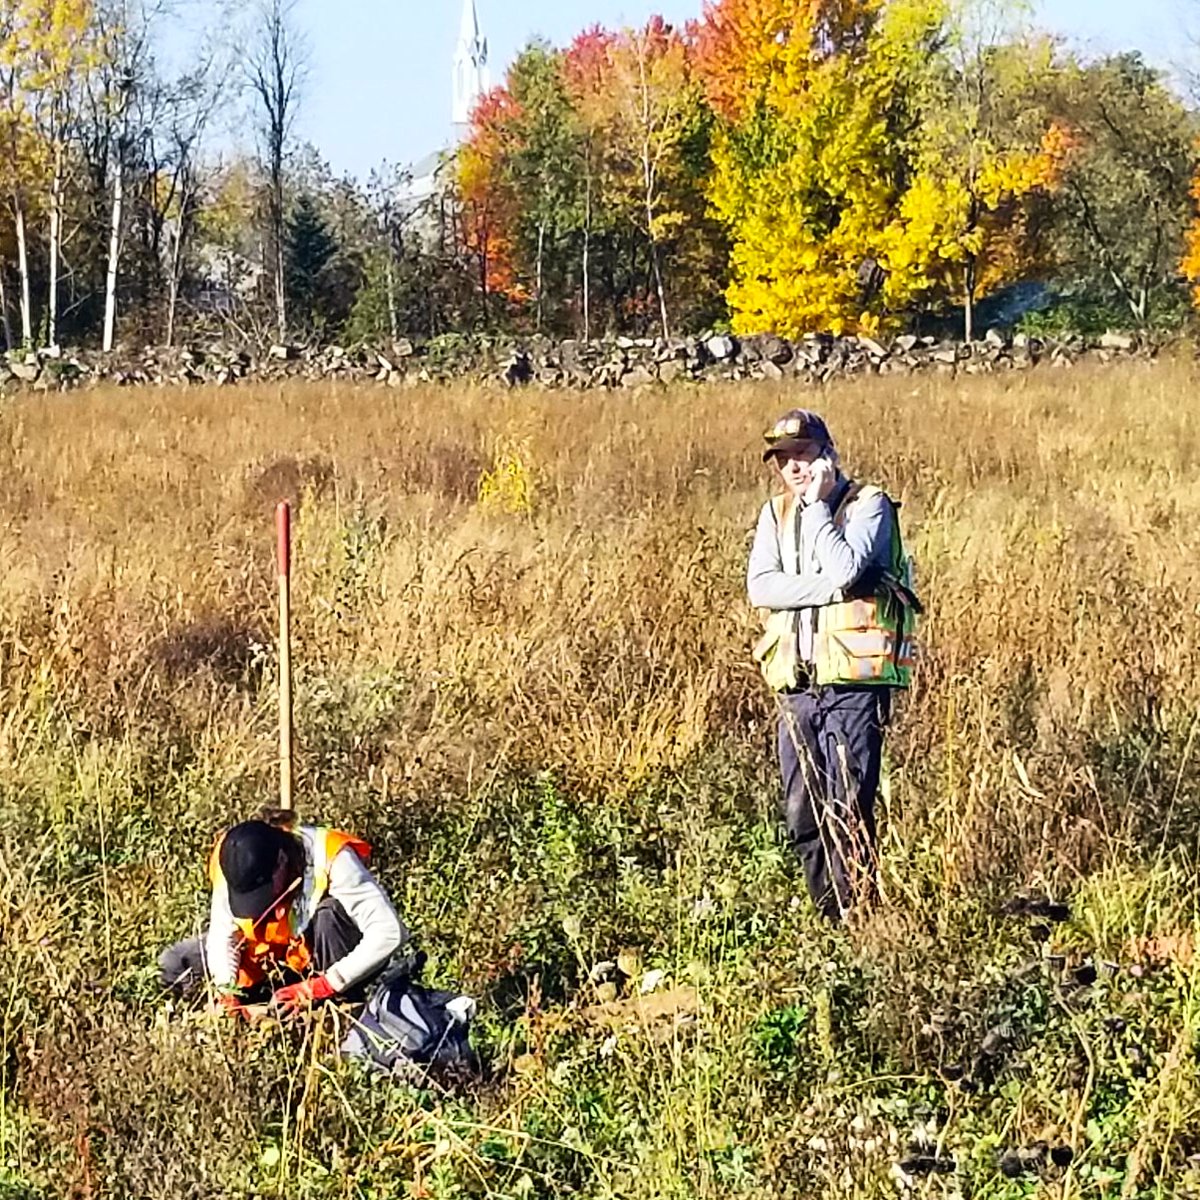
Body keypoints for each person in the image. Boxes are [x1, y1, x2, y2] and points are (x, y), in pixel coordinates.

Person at [748, 409, 918, 921]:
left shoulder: (868, 505)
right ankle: (830, 920)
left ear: (827, 454)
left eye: (803, 455)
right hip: (796, 687)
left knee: (849, 809)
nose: (794, 469)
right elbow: (762, 588)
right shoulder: (773, 514)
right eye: (784, 460)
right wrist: (827, 589)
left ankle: (860, 920)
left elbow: (848, 567)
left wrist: (820, 510)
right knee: (803, 814)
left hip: (852, 686)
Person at [161, 816, 408, 1017]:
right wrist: (226, 990)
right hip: (269, 962)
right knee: (175, 963)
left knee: (329, 915)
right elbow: (222, 933)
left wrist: (322, 986)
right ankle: (260, 1006)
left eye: (263, 891)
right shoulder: (230, 860)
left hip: (324, 963)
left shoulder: (331, 857)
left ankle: (338, 1012)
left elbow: (389, 932)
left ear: (281, 860)